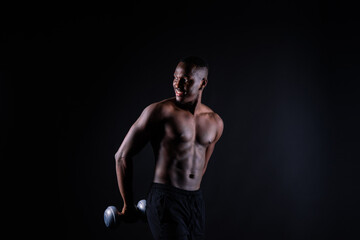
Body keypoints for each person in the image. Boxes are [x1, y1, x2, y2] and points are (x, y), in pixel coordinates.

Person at [114, 56, 224, 239]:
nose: (177, 84)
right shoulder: (159, 112)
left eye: (185, 80)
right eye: (175, 78)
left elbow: (201, 166)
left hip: (195, 201)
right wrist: (128, 205)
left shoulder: (215, 122)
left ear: (202, 83)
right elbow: (121, 156)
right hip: (165, 199)